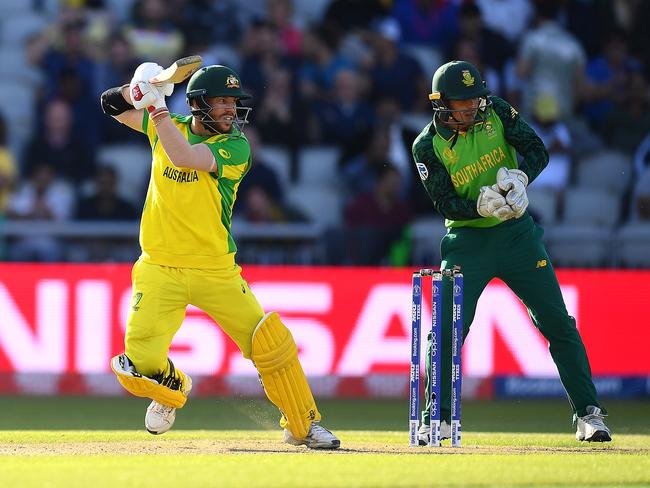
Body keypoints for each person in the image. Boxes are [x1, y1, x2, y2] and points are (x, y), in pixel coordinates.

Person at [99, 62, 340, 449]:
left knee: (270, 342)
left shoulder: (235, 146)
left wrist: (156, 107)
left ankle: (304, 425)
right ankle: (170, 388)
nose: (230, 109)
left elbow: (183, 157)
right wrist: (138, 88)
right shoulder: (166, 125)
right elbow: (108, 104)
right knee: (138, 365)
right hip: (159, 267)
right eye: (221, 101)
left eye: (233, 101)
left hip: (216, 270)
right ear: (197, 105)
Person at [411, 60, 611, 443]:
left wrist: (521, 178)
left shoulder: (498, 110)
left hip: (518, 235)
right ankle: (436, 418)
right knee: (448, 330)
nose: (471, 110)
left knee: (557, 323)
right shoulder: (427, 145)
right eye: (462, 104)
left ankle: (589, 414)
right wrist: (480, 206)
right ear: (441, 104)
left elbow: (537, 150)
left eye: (475, 101)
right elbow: (445, 203)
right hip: (467, 242)